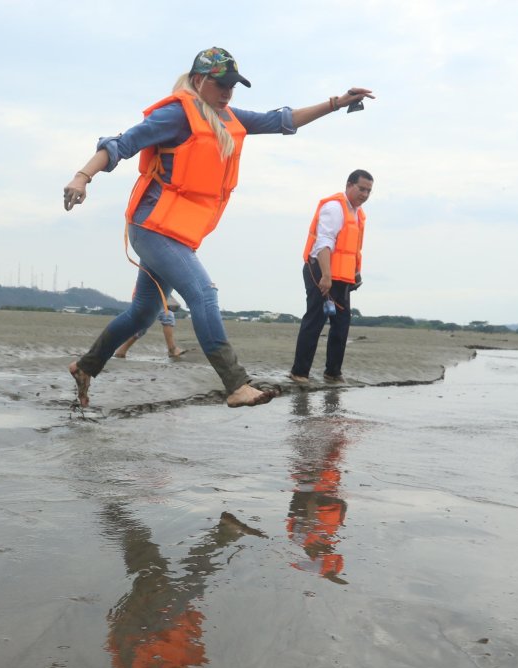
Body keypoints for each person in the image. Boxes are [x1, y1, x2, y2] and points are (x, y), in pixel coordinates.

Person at [63, 46, 374, 408]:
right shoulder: (176, 115)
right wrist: (82, 176)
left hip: (177, 232)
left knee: (142, 314)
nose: (227, 92)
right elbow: (121, 144)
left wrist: (337, 103)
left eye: (232, 86)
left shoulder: (227, 117)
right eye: (221, 84)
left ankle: (86, 367)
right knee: (203, 294)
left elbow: (282, 121)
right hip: (152, 228)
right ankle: (236, 384)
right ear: (199, 80)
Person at [289, 170, 373, 385]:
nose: (365, 194)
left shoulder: (358, 213)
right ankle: (300, 372)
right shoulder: (334, 208)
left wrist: (354, 274)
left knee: (342, 323)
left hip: (342, 277)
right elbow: (323, 244)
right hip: (319, 270)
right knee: (315, 320)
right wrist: (326, 276)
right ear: (349, 185)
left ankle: (333, 373)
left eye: (368, 191)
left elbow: (351, 249)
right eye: (361, 189)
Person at [113, 293, 189, 359]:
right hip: (150, 296)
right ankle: (172, 349)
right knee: (166, 317)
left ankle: (121, 351)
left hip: (155, 297)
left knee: (143, 326)